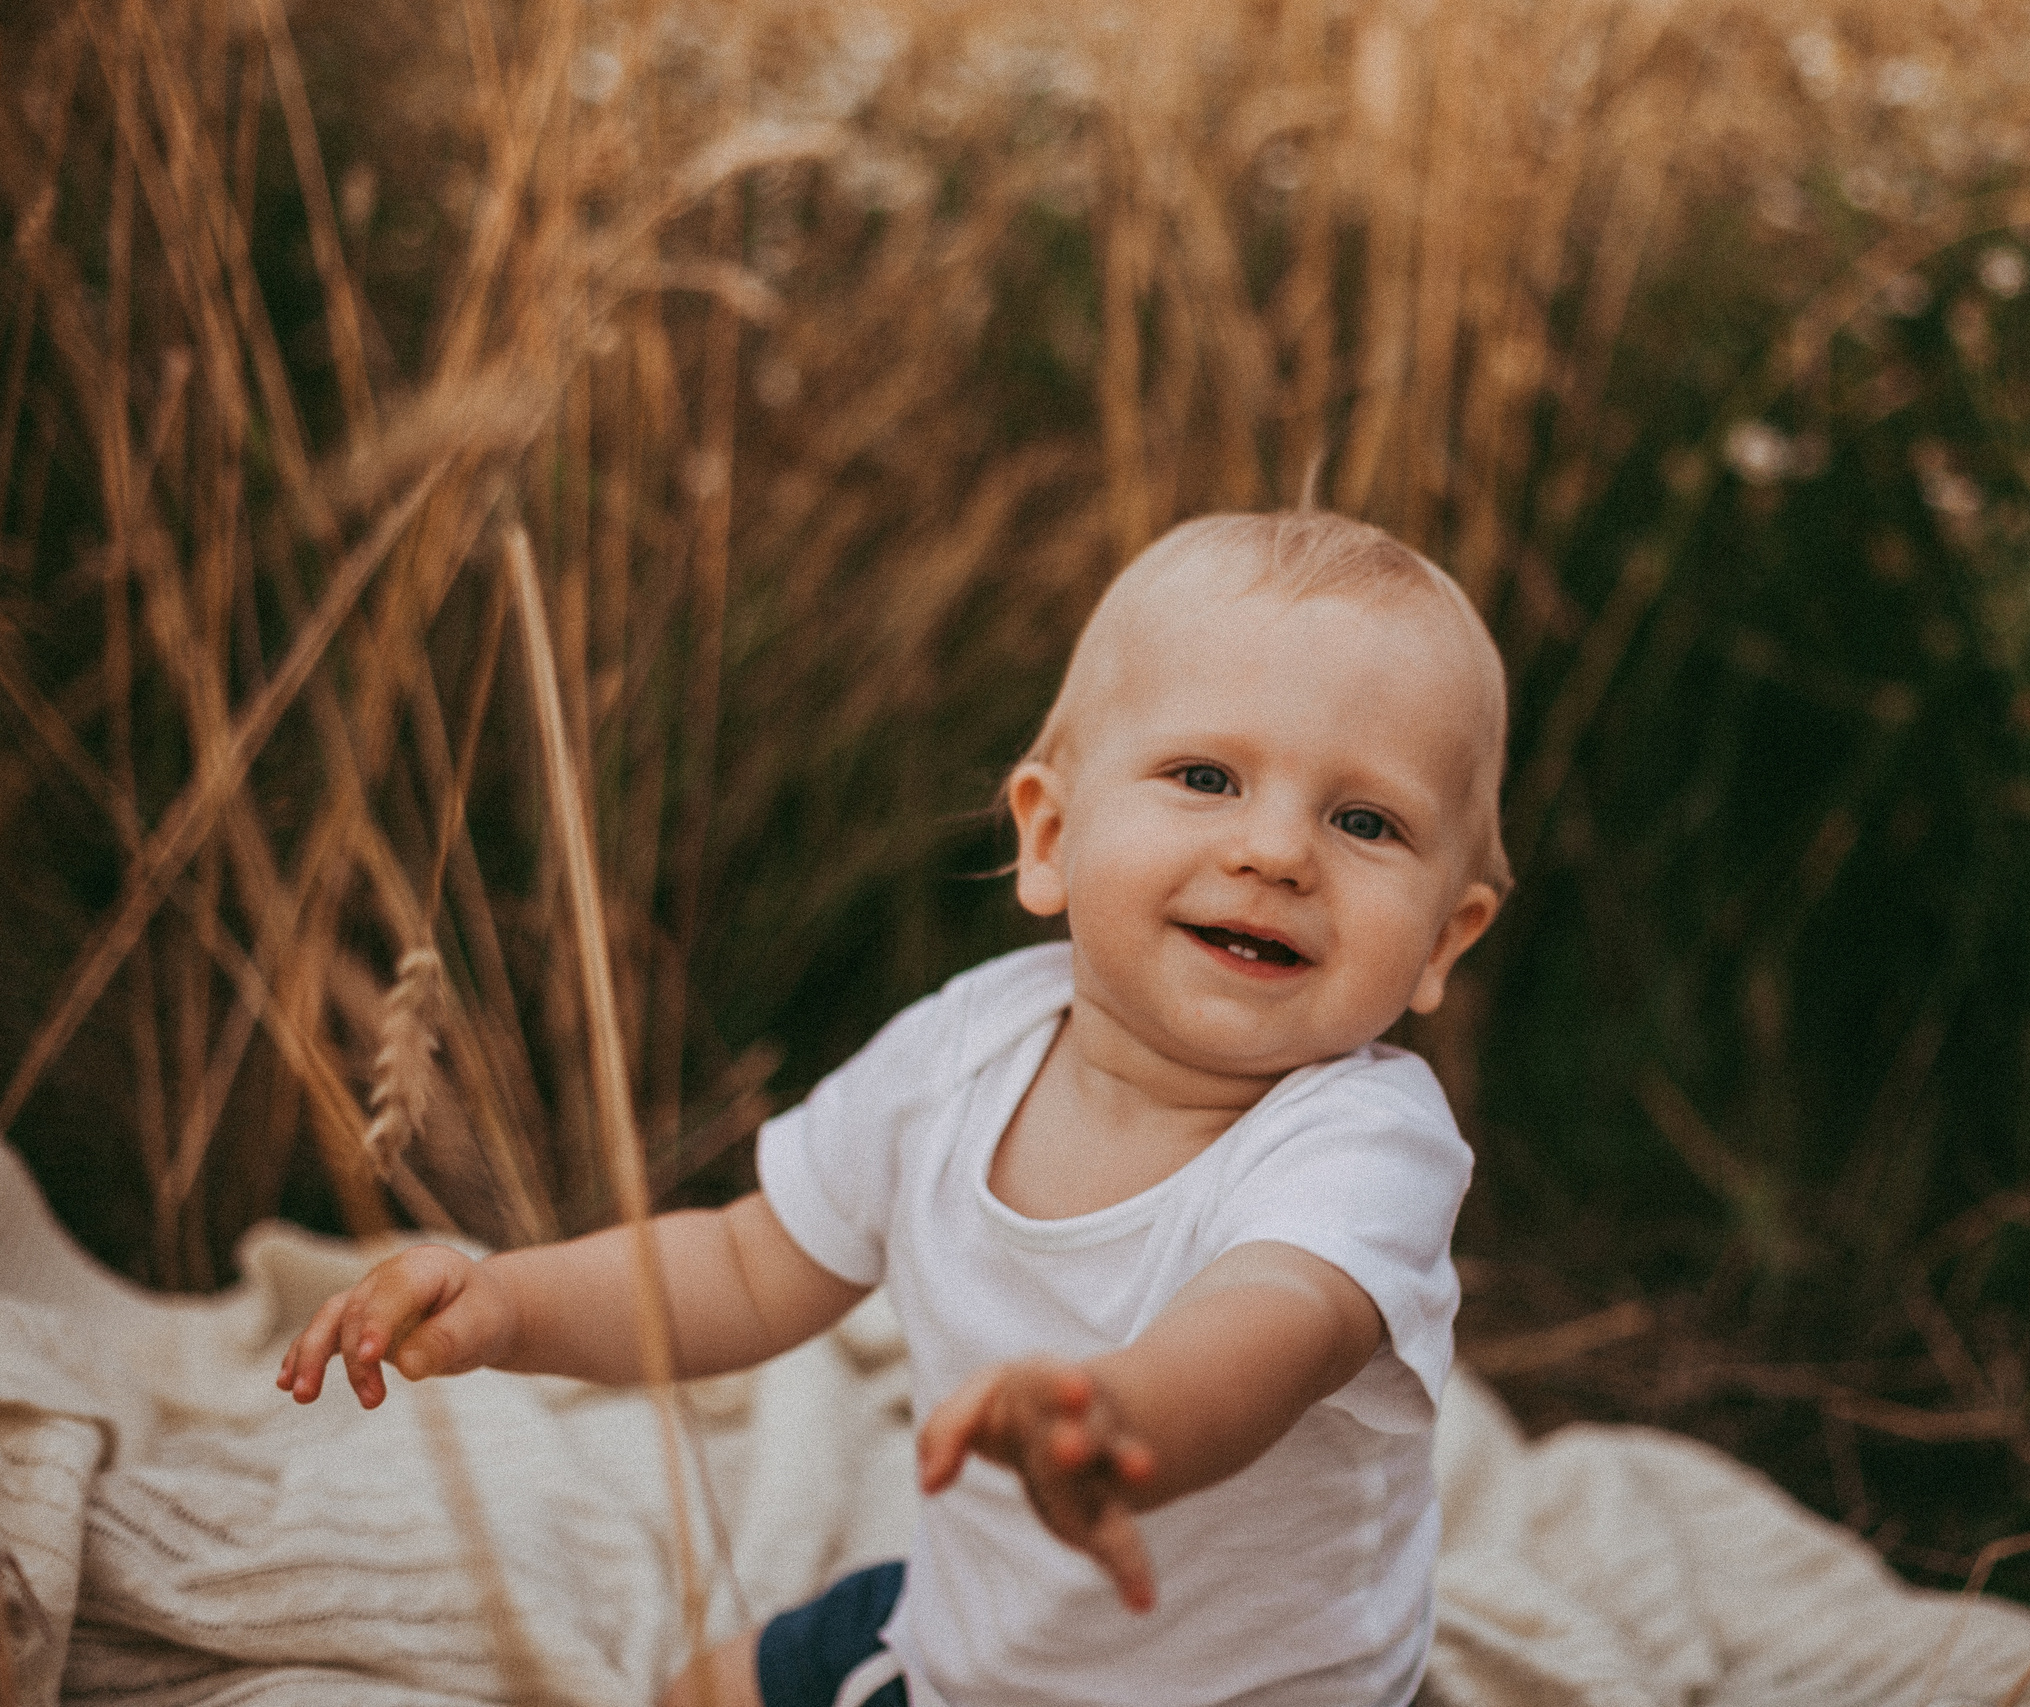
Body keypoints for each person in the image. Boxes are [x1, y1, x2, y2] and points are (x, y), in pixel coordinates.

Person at [278, 509, 1511, 1707]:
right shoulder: (963, 1050)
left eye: (1365, 822)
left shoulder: (1366, 1142)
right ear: (1049, 835)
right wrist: (509, 1301)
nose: (1278, 850)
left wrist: (1118, 1421)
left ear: (1444, 938)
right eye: (1205, 776)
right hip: (962, 1637)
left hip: (1239, 1691)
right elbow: (749, 1265)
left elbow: (1273, 1326)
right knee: (704, 1688)